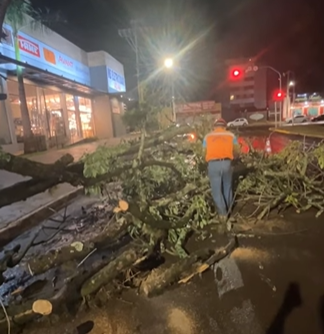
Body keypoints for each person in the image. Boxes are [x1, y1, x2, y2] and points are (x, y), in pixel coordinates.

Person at [202, 118, 238, 222]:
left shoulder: (207, 137)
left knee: (216, 191)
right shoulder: (231, 136)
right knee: (228, 188)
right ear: (225, 127)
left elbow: (203, 152)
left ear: (214, 127)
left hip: (213, 165)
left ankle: (223, 215)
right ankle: (229, 212)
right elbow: (237, 151)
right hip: (227, 164)